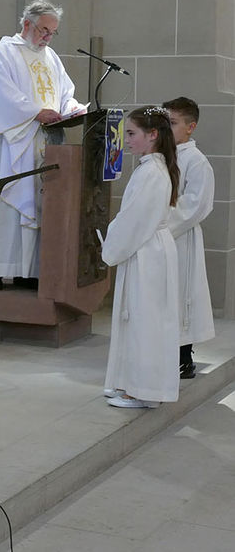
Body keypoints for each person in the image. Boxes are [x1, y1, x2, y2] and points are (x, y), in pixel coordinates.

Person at [0, 0, 86, 290]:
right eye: (44, 30)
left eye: (52, 32)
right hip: (14, 143)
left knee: (38, 205)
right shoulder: (4, 54)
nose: (48, 37)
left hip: (46, 142)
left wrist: (72, 108)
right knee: (12, 203)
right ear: (26, 24)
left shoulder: (51, 58)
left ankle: (28, 271)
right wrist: (35, 112)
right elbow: (1, 96)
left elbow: (64, 92)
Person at [102, 106, 180, 409]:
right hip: (148, 248)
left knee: (146, 320)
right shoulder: (152, 168)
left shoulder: (151, 172)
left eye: (132, 133)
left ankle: (142, 390)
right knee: (139, 317)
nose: (126, 140)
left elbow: (135, 220)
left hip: (147, 251)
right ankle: (131, 382)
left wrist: (111, 245)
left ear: (153, 135)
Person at [162, 97, 215, 379]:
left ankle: (183, 357)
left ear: (190, 127)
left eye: (172, 123)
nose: (166, 128)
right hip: (158, 239)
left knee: (182, 295)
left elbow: (196, 204)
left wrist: (159, 223)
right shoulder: (161, 156)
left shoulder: (196, 161)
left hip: (180, 237)